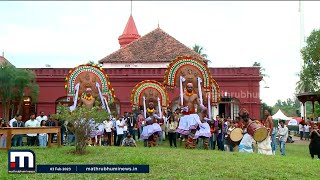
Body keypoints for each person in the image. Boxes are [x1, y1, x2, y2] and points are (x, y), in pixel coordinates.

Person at [176, 83, 203, 149]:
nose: (190, 88)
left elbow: (199, 104)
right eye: (188, 87)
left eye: (191, 87)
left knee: (194, 128)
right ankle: (187, 143)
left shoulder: (195, 95)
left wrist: (201, 107)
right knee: (186, 130)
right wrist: (181, 108)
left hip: (192, 114)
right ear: (186, 87)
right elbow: (178, 105)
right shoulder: (182, 95)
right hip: (185, 115)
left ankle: (190, 141)